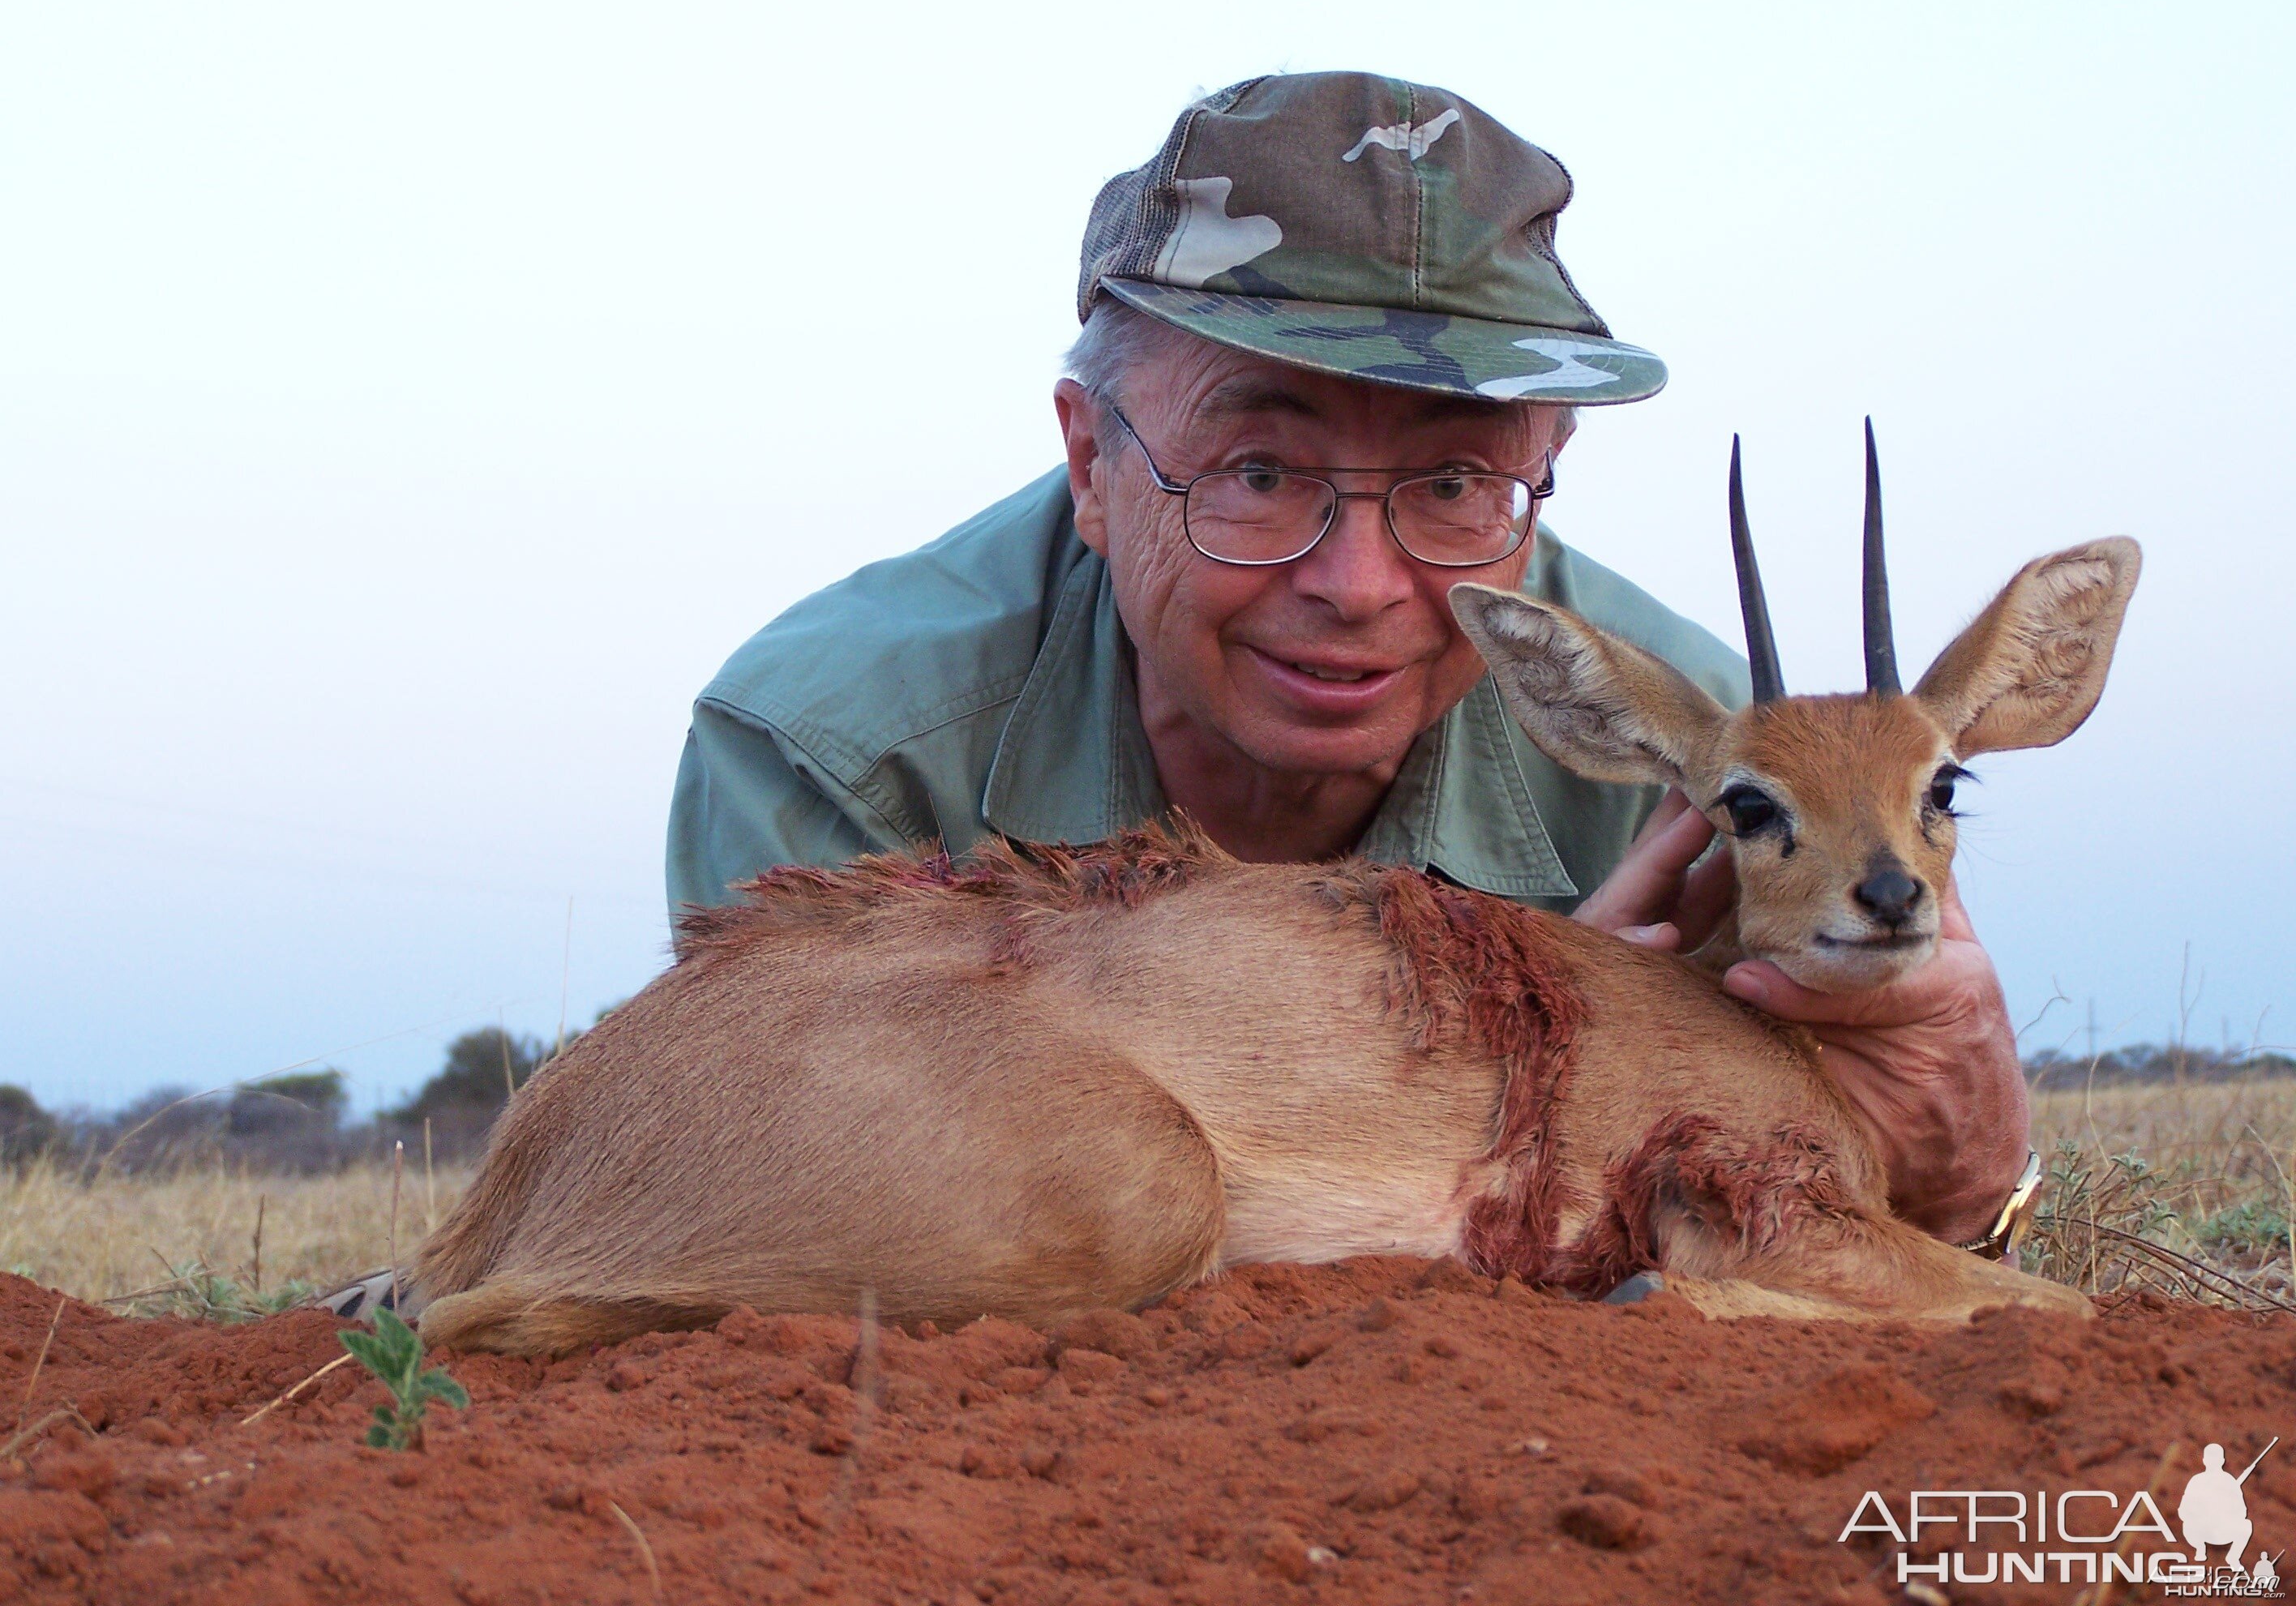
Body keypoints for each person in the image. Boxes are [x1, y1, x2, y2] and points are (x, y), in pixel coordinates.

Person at [667, 71, 2030, 1245]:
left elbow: (1817, 1211)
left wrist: (1951, 1167)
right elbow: (815, 1217)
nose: (1361, 584)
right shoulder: (836, 750)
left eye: (1453, 484)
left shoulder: (1710, 757)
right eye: (1258, 471)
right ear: (1093, 463)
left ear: (1542, 476)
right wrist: (1515, 1088)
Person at [2179, 1444, 2255, 1572]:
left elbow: (2242, 1511)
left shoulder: (2229, 1482)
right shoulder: (2197, 1481)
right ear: (2204, 1461)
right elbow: (2183, 1509)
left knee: (2246, 1525)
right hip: (2200, 1531)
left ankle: (2233, 1557)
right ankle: (2200, 1548)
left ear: (2222, 1461)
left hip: (2222, 1530)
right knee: (2188, 1524)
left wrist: (2225, 1510)